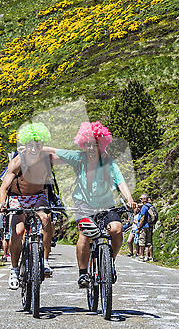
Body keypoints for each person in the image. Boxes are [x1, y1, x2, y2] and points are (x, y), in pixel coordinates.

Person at [42, 121, 136, 288]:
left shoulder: (109, 162)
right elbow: (54, 151)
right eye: (88, 144)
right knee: (84, 234)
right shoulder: (78, 158)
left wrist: (129, 198)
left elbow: (120, 181)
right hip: (83, 204)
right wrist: (32, 149)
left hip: (106, 205)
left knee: (117, 230)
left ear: (101, 144)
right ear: (83, 144)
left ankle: (109, 263)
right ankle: (83, 274)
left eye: (95, 144)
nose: (91, 148)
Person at [0, 122, 56, 290]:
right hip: (18, 198)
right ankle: (14, 270)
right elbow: (4, 188)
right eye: (30, 144)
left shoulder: (46, 159)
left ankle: (44, 261)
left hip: (38, 197)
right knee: (18, 231)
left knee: (46, 218)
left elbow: (61, 154)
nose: (33, 148)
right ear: (25, 145)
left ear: (42, 145)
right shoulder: (17, 162)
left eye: (37, 144)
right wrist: (2, 203)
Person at [137, 194, 154, 261]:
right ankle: (150, 257)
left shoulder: (144, 207)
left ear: (144, 199)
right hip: (150, 226)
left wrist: (138, 228)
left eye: (141, 199)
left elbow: (142, 219)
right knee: (149, 242)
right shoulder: (151, 206)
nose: (140, 200)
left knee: (142, 242)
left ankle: (141, 256)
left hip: (144, 227)